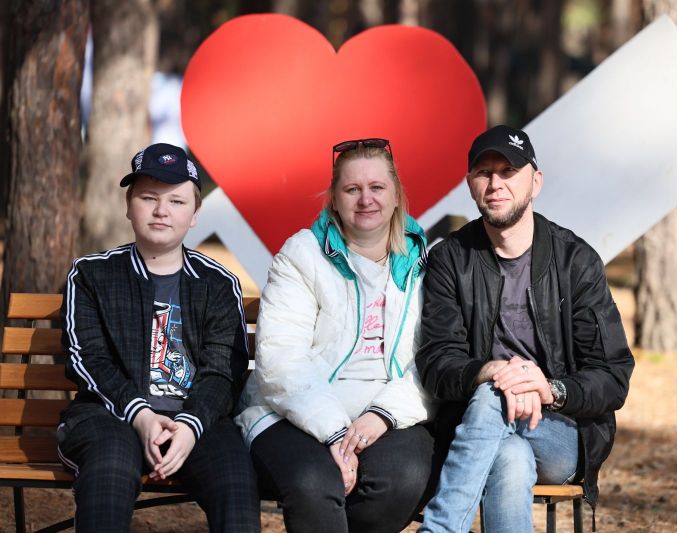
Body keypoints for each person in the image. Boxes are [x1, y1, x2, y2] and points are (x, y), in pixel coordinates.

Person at [416, 125, 635, 532]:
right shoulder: (451, 260)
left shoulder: (575, 261)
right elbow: (436, 362)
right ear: (470, 184)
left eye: (509, 171)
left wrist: (549, 389)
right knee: (510, 455)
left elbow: (612, 375)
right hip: (477, 431)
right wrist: (490, 371)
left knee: (492, 396)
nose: (495, 183)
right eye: (484, 173)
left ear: (535, 182)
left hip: (561, 431)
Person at [235, 138, 437, 532]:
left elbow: (432, 361)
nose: (366, 199)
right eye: (352, 189)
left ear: (396, 195)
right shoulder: (302, 254)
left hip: (388, 412)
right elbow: (281, 361)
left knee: (402, 480)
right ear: (334, 199)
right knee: (314, 482)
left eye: (377, 187)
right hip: (291, 410)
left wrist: (381, 416)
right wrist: (336, 433)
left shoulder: (426, 264)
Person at [57, 143, 260, 532]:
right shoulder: (92, 274)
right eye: (148, 198)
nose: (161, 210)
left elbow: (223, 370)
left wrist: (191, 424)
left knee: (234, 477)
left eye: (177, 201)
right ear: (128, 206)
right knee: (111, 464)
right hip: (110, 415)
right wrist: (141, 415)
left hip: (196, 420)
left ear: (195, 214)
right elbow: (88, 359)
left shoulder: (218, 283)